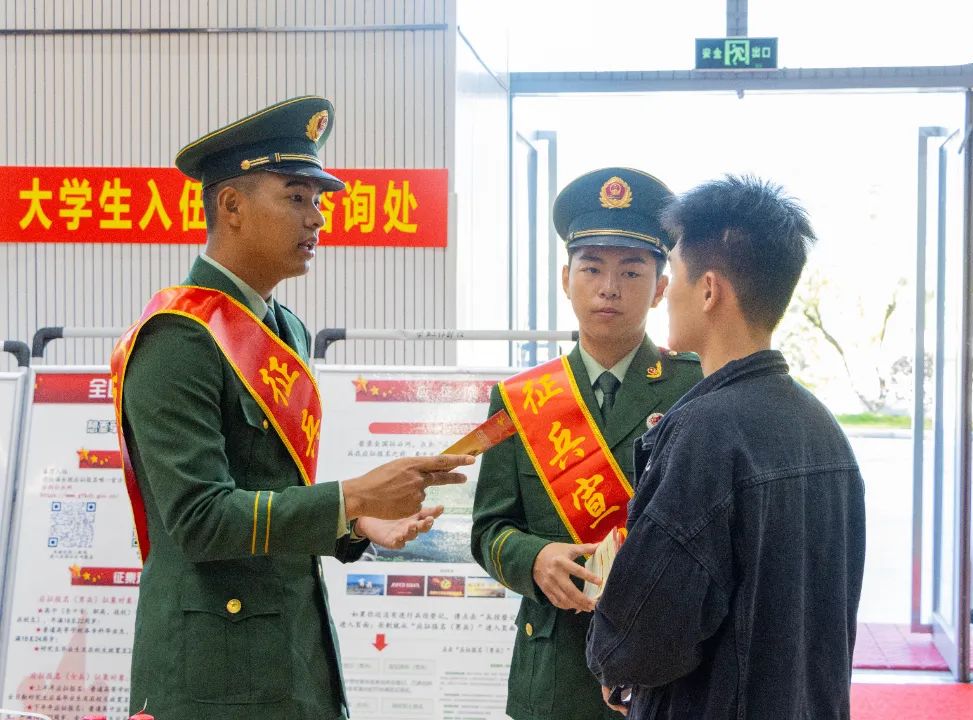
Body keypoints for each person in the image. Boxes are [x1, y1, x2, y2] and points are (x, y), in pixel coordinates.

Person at [111, 96, 474, 720]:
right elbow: (199, 519)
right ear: (231, 206)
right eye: (297, 197)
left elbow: (271, 491)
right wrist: (351, 497)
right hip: (213, 669)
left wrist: (355, 522)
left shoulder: (286, 328)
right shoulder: (178, 337)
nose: (317, 217)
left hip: (292, 649)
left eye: (319, 199)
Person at [585, 175, 866, 719]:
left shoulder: (704, 431)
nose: (667, 294)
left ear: (709, 290)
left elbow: (642, 640)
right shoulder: (822, 426)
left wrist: (613, 659)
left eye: (675, 274)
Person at [471, 168, 703, 720]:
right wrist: (534, 558)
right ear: (565, 278)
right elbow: (489, 530)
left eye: (631, 271)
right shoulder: (520, 398)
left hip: (662, 664)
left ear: (661, 288)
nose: (609, 287)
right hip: (554, 670)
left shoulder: (695, 387)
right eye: (592, 267)